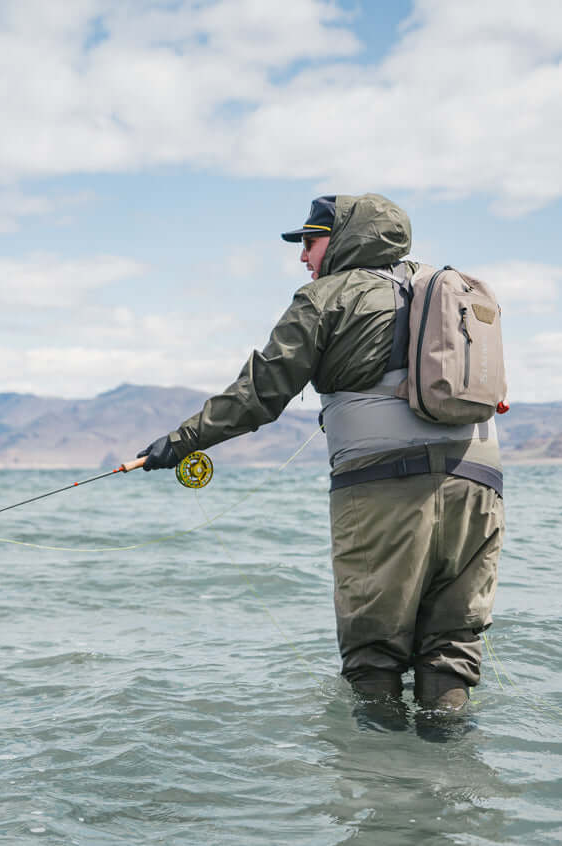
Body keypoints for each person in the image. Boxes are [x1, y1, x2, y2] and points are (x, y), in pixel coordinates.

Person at [135, 193, 504, 713]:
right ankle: (452, 787)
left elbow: (260, 392)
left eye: (310, 242)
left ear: (345, 238)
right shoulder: (448, 286)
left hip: (384, 488)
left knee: (374, 655)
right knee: (450, 651)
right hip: (480, 486)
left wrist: (180, 443)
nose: (303, 257)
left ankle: (381, 781)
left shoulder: (328, 296)